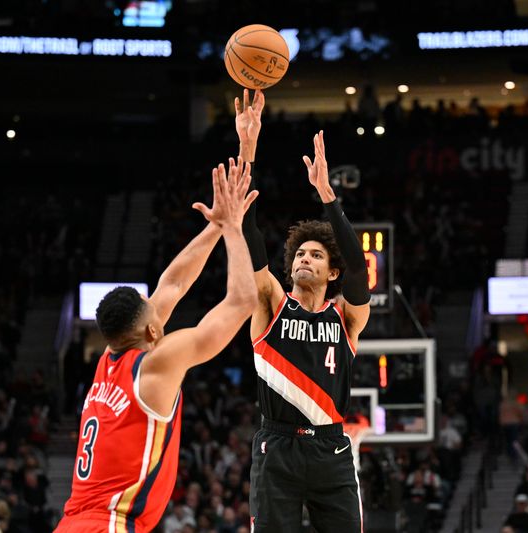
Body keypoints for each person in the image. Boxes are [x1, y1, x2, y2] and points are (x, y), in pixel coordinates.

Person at [56, 159, 258, 533]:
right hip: (108, 526)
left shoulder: (109, 358)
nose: (161, 310)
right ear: (151, 331)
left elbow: (174, 285)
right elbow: (243, 301)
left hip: (71, 522)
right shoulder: (156, 364)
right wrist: (233, 228)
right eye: (156, 315)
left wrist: (215, 224)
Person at [235, 89, 371, 532]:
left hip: (332, 449)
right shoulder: (272, 303)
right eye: (300, 254)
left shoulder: (347, 319)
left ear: (333, 273)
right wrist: (247, 150)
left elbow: (357, 268)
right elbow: (249, 233)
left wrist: (329, 198)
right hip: (277, 446)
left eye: (316, 255)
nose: (304, 260)